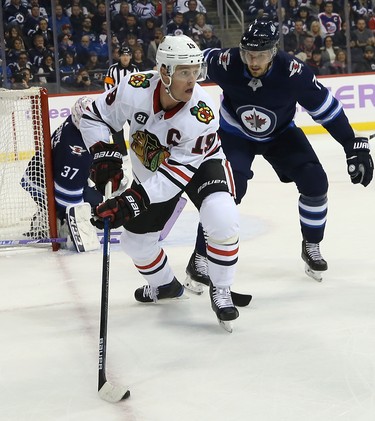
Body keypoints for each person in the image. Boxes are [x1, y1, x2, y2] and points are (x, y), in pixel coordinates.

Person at [185, 18, 373, 289]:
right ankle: (200, 257)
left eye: (260, 54)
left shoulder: (294, 73)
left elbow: (327, 111)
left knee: (315, 180)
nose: (253, 60)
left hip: (280, 134)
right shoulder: (227, 62)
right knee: (224, 194)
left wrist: (351, 146)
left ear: (273, 51)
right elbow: (192, 60)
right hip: (236, 135)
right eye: (249, 53)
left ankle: (311, 245)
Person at [80, 35, 240, 330]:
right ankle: (165, 285)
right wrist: (102, 153)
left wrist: (129, 202)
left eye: (196, 71)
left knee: (222, 214)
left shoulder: (200, 113)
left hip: (201, 164)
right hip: (153, 173)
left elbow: (175, 175)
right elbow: (92, 117)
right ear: (164, 72)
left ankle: (222, 288)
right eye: (184, 72)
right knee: (136, 242)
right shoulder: (133, 87)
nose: (192, 80)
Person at [20, 97, 103, 240]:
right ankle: (50, 218)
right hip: (44, 186)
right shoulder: (76, 149)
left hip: (38, 175)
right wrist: (69, 218)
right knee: (98, 201)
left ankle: (46, 212)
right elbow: (67, 195)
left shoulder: (72, 123)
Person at [104, 46, 139, 156]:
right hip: (117, 105)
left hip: (131, 105)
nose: (125, 58)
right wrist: (115, 99)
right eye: (123, 55)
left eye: (127, 55)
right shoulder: (112, 69)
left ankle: (139, 151)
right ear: (119, 56)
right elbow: (108, 85)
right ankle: (121, 153)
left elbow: (138, 87)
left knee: (136, 128)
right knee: (116, 129)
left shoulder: (135, 70)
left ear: (131, 57)